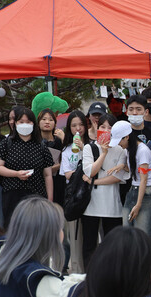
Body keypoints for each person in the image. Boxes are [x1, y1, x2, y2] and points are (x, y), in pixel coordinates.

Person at [0, 107, 54, 226]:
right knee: (13, 229)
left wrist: (49, 199)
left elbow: (48, 175)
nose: (25, 125)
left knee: (36, 229)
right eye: (21, 122)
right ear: (15, 124)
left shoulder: (41, 146)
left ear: (33, 124)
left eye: (28, 122)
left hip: (37, 194)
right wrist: (16, 173)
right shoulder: (6, 143)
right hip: (12, 195)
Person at [80, 117, 129, 266]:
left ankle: (111, 274)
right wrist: (103, 153)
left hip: (112, 204)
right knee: (89, 244)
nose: (106, 131)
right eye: (103, 126)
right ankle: (89, 276)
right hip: (90, 204)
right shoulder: (89, 147)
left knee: (112, 244)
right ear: (96, 127)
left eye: (110, 128)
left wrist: (94, 182)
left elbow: (117, 177)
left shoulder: (121, 149)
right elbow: (90, 171)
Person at [60, 110, 91, 274]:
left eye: (80, 124)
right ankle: (78, 274)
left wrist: (84, 149)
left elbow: (94, 170)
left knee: (92, 238)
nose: (78, 129)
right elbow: (67, 174)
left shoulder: (92, 146)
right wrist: (82, 172)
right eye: (74, 125)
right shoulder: (66, 150)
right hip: (76, 198)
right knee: (75, 239)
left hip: (92, 196)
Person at [124, 120, 151, 241]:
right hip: (133, 189)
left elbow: (143, 180)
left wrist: (138, 204)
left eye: (119, 140)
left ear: (126, 137)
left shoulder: (142, 150)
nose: (118, 144)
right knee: (127, 231)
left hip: (146, 192)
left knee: (144, 234)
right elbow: (133, 170)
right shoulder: (129, 149)